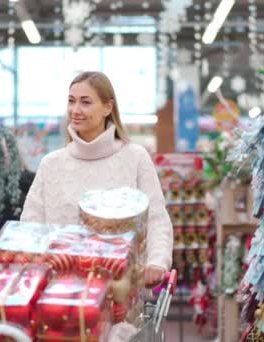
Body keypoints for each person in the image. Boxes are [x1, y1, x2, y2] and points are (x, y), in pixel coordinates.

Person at [20, 71, 173, 287]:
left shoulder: (135, 158)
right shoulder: (51, 164)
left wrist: (157, 262)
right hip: (60, 292)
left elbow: (156, 219)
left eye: (85, 102)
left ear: (108, 107)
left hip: (122, 290)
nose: (75, 110)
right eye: (71, 101)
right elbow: (30, 226)